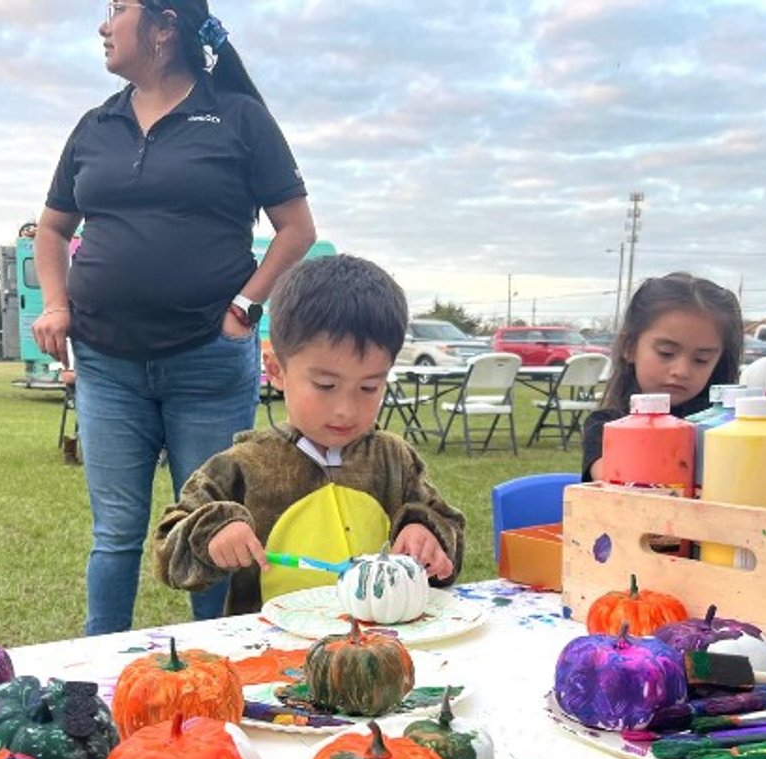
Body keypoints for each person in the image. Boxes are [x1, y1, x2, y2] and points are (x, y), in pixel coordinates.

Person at [32, 1, 316, 635]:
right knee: (116, 533)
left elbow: (296, 228)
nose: (104, 27)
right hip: (106, 365)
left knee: (212, 524)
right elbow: (51, 229)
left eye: (119, 10)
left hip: (207, 361)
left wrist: (246, 307)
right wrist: (56, 303)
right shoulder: (94, 126)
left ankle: (218, 661)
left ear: (165, 26)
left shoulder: (238, 117)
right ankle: (95, 677)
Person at [152, 254, 466, 615]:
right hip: (271, 651)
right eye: (325, 384)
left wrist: (426, 534)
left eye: (368, 387)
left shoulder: (394, 460)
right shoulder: (243, 466)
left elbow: (449, 528)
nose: (345, 409)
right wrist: (211, 533)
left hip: (383, 645)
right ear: (276, 371)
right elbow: (166, 547)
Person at [582, 272, 744, 481]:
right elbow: (617, 487)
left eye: (701, 359)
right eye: (666, 353)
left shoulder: (727, 427)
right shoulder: (607, 426)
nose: (681, 370)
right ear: (630, 348)